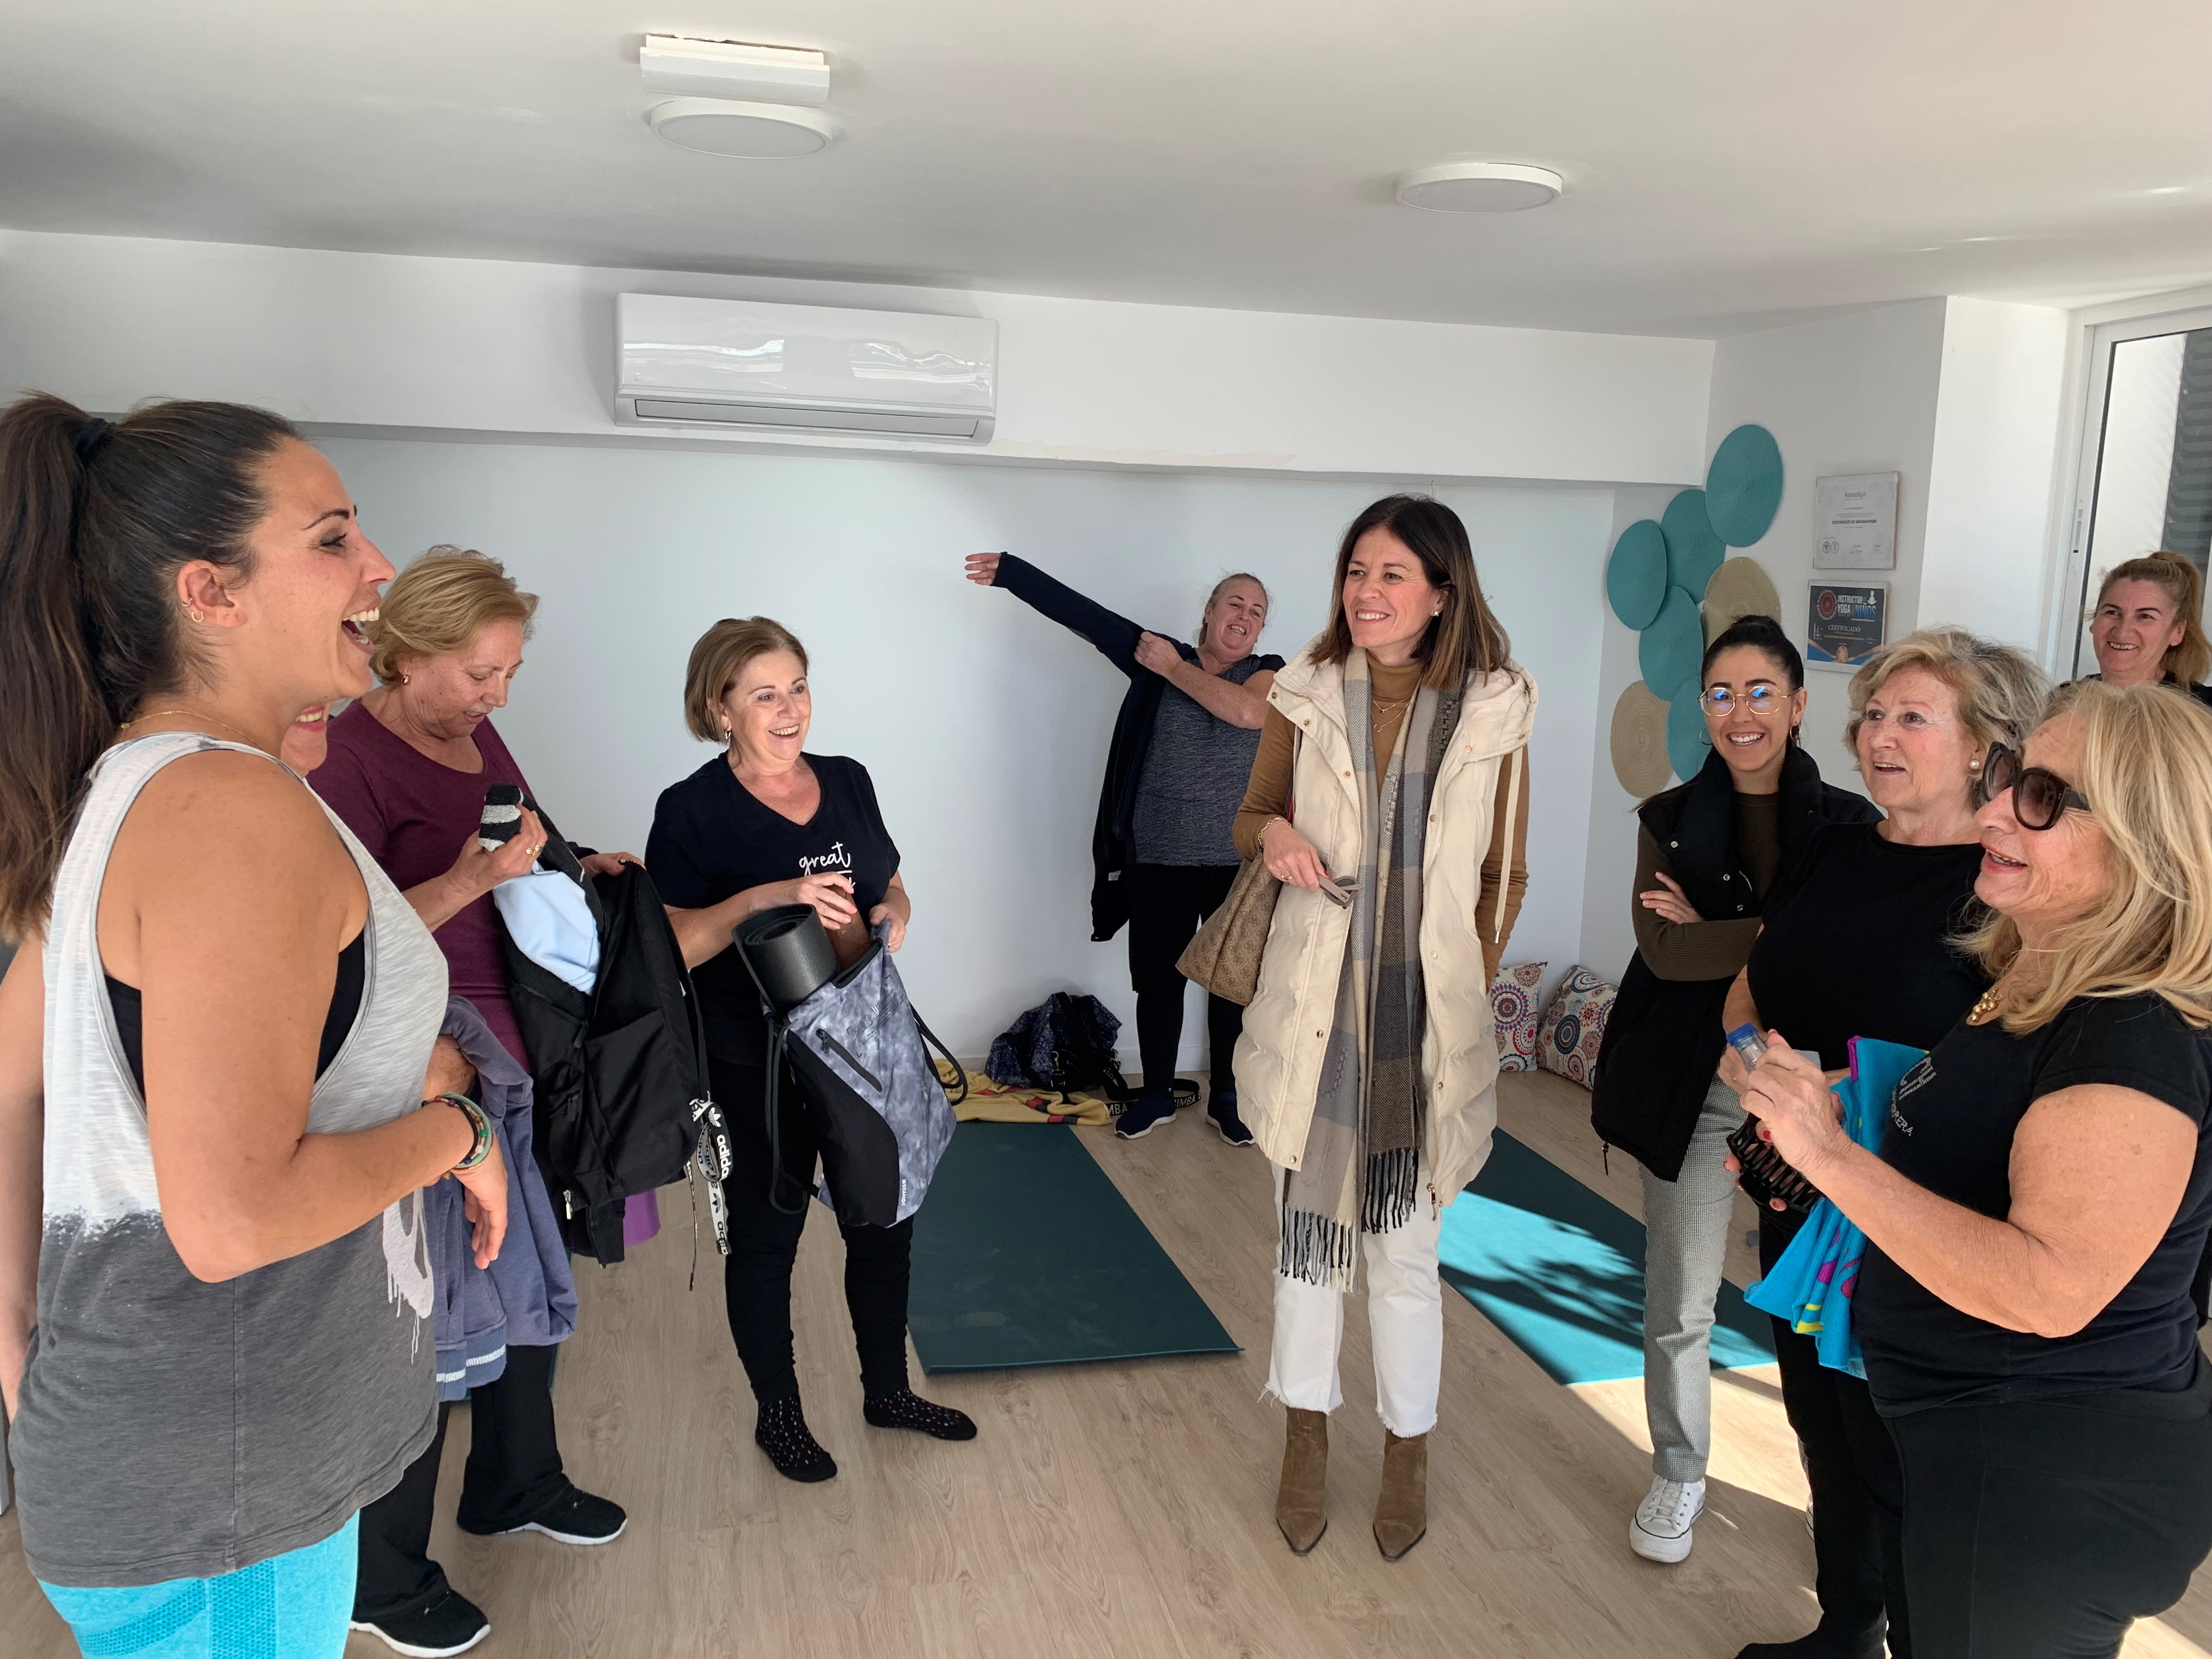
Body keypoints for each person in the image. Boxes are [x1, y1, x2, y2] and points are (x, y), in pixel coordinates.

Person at [0, 394, 508, 1659]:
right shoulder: (229, 809)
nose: (378, 567)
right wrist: (458, 1131)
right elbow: (232, 1221)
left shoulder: (131, 784)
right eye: (331, 537)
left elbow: (15, 1079)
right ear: (210, 593)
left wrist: (19, 1336)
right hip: (221, 1488)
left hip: (181, 1460)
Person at [1742, 680, 2212, 1659]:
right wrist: (1849, 1106)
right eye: (2008, 775)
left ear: (2145, 840)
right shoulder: (2041, 970)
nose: (1995, 809)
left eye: (2041, 797)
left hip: (2046, 1477)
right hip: (1978, 1441)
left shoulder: (2131, 1031)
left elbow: (2050, 1285)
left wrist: (1827, 1153)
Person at [309, 549, 631, 1658]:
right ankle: (379, 1578)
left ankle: (514, 1482)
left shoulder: (476, 736)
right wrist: (471, 881)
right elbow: (334, 939)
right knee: (427, 1318)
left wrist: (578, 863)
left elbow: (520, 836)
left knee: (526, 1274)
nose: (497, 697)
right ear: (408, 653)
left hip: (517, 1047)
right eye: (480, 673)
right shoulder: (347, 756)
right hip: (422, 1060)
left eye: (509, 675)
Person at [1719, 627, 2048, 1659]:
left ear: (1987, 745)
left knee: (1899, 1452)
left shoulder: (2006, 886)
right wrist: (1751, 1063)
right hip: (1797, 1192)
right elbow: (1752, 981)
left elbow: (2008, 1066)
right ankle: (1847, 1624)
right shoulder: (1833, 844)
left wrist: (1835, 1101)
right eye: (1872, 715)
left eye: (1913, 717)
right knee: (1821, 1425)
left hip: (1918, 1218)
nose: (1879, 737)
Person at [1231, 493, 1533, 1561]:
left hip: (1420, 1024)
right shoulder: (1304, 690)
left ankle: (1408, 1450)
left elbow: (1504, 872)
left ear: (1442, 593)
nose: (1367, 591)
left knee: (1406, 1252)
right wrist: (1275, 839)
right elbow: (1252, 813)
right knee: (1307, 1247)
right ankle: (1305, 1436)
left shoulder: (1496, 708)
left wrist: (1456, 984)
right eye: (1357, 569)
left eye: (1392, 573)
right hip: (1316, 1008)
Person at [647, 616, 977, 1483]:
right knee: (769, 1235)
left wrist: (896, 912)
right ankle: (780, 1417)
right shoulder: (691, 811)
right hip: (754, 1060)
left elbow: (889, 880)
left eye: (797, 687)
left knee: (884, 1216)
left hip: (864, 1041)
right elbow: (671, 946)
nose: (790, 709)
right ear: (721, 709)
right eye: (765, 695)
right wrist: (767, 897)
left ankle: (887, 1392)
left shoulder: (848, 779)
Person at [1588, 615, 1878, 1565]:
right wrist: (1782, 929)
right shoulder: (1668, 816)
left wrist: (1724, 925)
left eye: (1760, 692)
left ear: (1797, 705)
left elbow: (1845, 952)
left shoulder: (1851, 825)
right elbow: (1665, 950)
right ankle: (1679, 1469)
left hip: (1814, 1093)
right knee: (1681, 1296)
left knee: (1810, 1307)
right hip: (1695, 1082)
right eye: (1721, 693)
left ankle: (1831, 1486)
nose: (1739, 711)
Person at [966, 551, 1283, 1142]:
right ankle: (1156, 1094)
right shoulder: (1158, 655)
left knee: (1232, 984)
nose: (1244, 616)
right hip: (1158, 855)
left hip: (1237, 861)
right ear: (1210, 611)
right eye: (1234, 603)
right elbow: (1089, 619)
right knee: (1159, 980)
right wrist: (1012, 573)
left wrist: (1172, 668)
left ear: (1262, 629)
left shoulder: (1266, 671)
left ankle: (1228, 1098)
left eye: (1257, 611)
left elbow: (1248, 713)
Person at [2081, 550, 2212, 706]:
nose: (2123, 631)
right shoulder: (2065, 700)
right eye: (2112, 612)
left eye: (2145, 616)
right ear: (2094, 622)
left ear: (2178, 631)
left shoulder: (2204, 708)